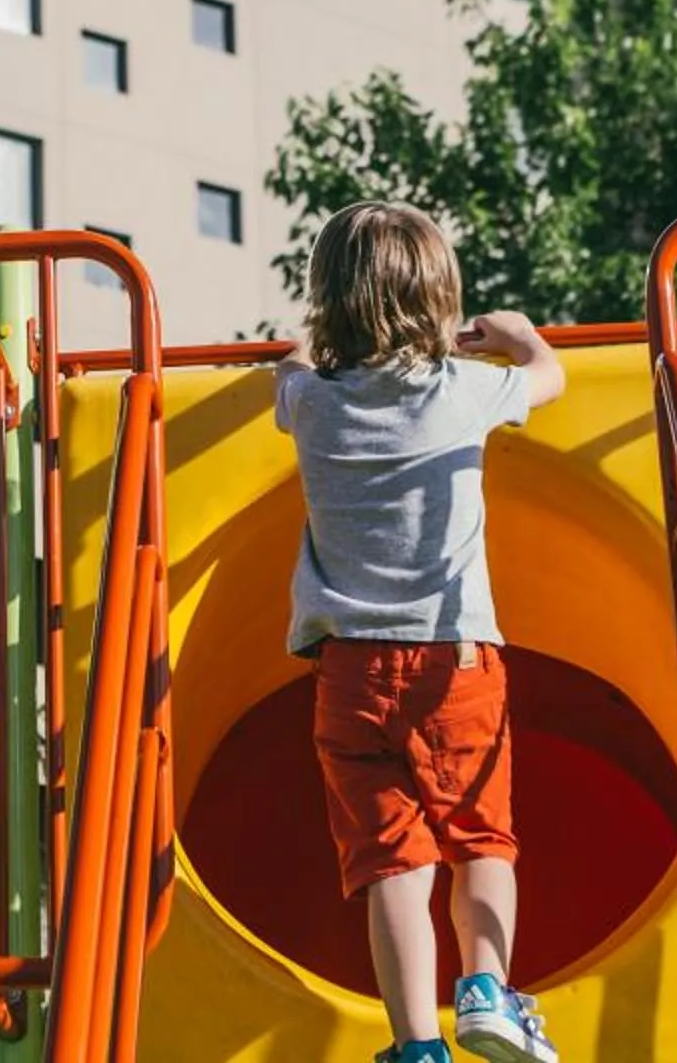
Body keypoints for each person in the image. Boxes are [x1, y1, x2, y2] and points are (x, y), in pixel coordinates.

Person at [276, 201, 565, 1063]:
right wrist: (522, 337)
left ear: (330, 300)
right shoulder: (464, 390)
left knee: (389, 863)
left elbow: (283, 378)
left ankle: (415, 1045)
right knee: (481, 835)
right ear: (439, 301)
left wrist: (297, 349)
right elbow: (550, 378)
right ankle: (486, 988)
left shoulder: (312, 404)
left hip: (349, 675)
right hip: (456, 661)